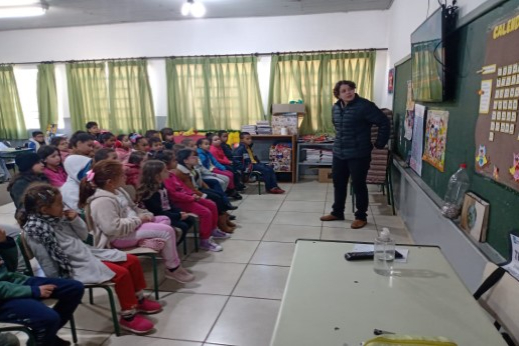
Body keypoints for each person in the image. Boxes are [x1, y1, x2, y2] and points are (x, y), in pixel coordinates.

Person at [20, 184, 160, 335]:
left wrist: (75, 220)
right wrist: (60, 282)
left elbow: (83, 236)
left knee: (131, 260)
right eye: (59, 204)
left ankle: (138, 299)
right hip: (72, 267)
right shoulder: (35, 230)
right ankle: (128, 316)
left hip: (87, 254)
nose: (63, 206)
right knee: (121, 274)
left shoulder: (58, 218)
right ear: (44, 210)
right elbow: (46, 261)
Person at [78, 160, 194, 283]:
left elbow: (133, 207)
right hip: (118, 237)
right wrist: (138, 220)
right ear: (110, 182)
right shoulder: (102, 201)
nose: (125, 177)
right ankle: (172, 268)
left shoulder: (119, 191)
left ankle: (145, 241)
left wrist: (144, 214)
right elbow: (113, 229)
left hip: (132, 226)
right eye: (122, 175)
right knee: (167, 231)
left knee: (165, 219)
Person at [320, 80, 390, 229]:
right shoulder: (336, 108)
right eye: (344, 91)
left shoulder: (365, 106)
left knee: (358, 185)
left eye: (350, 89)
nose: (348, 92)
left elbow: (384, 122)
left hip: (359, 153)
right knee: (338, 183)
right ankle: (337, 212)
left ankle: (361, 216)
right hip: (339, 152)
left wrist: (379, 144)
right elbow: (338, 126)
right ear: (338, 94)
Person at [0, 227, 84, 346]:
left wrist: (4, 244)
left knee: (74, 289)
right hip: (3, 299)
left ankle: (45, 338)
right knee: (49, 318)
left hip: (15, 283)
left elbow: (10, 268)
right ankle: (46, 338)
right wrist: (33, 291)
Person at [155, 150, 227, 251]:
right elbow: (174, 195)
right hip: (180, 202)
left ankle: (213, 229)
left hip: (187, 197)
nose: (177, 162)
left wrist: (193, 194)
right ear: (167, 164)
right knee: (205, 212)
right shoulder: (166, 177)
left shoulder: (172, 174)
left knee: (211, 204)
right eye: (174, 160)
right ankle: (204, 240)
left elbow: (184, 187)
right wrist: (191, 197)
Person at [137, 160, 203, 246]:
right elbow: (157, 212)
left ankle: (173, 244)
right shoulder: (150, 193)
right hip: (159, 217)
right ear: (157, 176)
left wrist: (179, 212)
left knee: (190, 220)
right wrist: (178, 216)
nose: (168, 172)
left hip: (168, 214)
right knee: (183, 225)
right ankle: (169, 246)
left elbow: (169, 202)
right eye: (164, 171)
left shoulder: (162, 185)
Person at [175, 149, 236, 234]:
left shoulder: (192, 167)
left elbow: (200, 181)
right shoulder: (181, 172)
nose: (196, 158)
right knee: (215, 198)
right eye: (193, 157)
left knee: (218, 194)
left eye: (196, 156)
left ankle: (224, 217)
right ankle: (221, 223)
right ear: (185, 160)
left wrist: (208, 190)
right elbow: (191, 189)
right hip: (193, 193)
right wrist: (204, 195)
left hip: (198, 189)